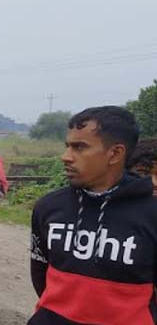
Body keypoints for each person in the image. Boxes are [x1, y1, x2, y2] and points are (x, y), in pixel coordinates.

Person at [29, 106, 157, 325]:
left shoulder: (151, 214)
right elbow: (40, 275)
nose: (66, 157)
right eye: (67, 146)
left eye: (79, 147)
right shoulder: (49, 207)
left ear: (115, 153)